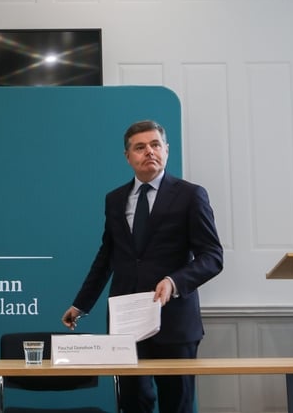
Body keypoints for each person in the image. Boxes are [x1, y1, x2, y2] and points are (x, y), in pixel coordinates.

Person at [61, 120, 223, 413]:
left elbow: (212, 256)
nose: (149, 151)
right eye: (140, 147)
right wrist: (81, 304)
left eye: (155, 145)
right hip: (126, 322)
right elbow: (107, 255)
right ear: (128, 156)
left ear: (166, 150)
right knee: (133, 403)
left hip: (174, 321)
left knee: (177, 405)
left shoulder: (191, 195)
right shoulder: (115, 199)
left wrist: (174, 282)